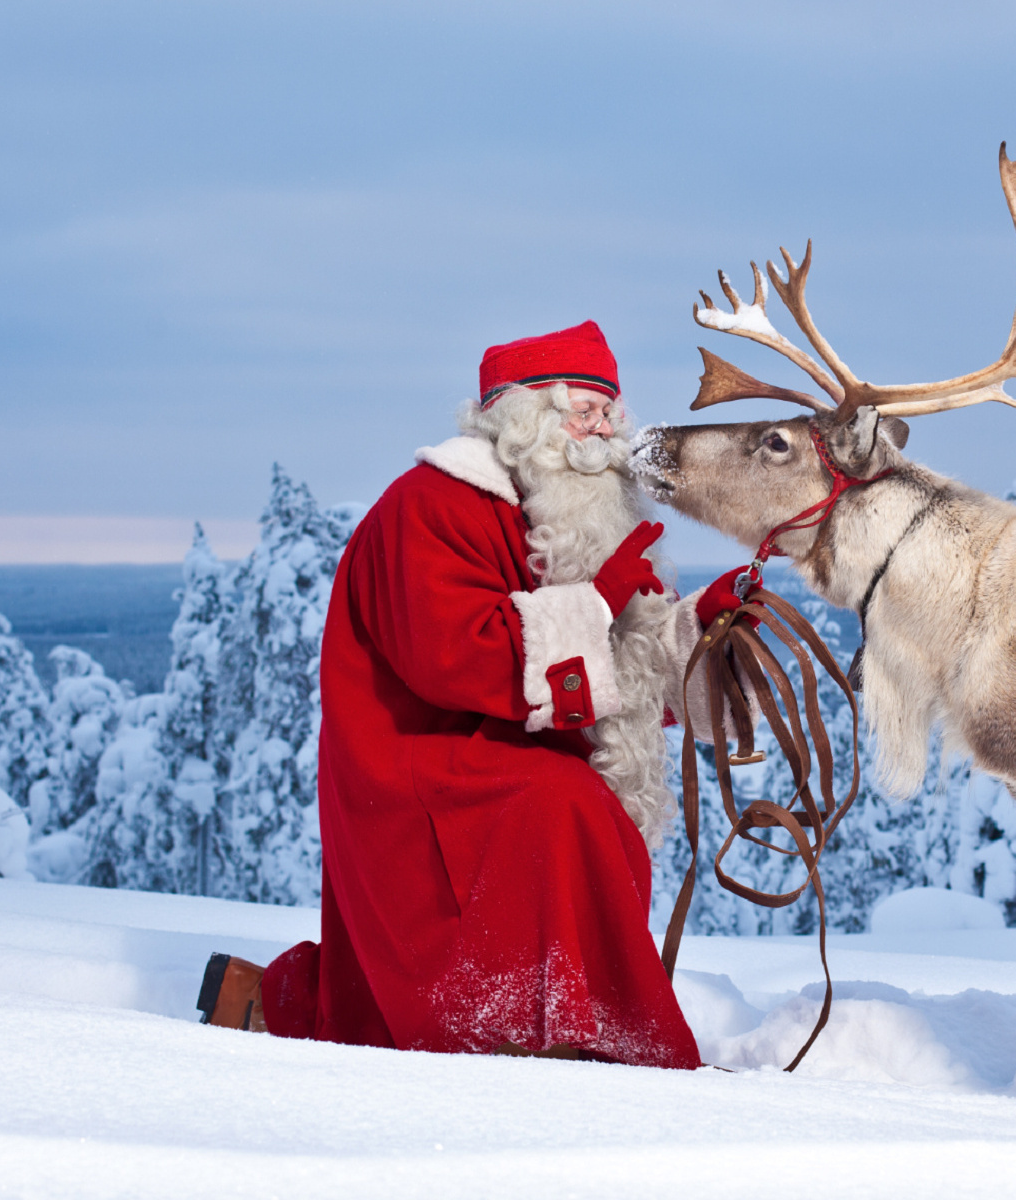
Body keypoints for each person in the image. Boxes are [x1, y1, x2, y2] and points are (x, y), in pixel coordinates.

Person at [195, 320, 747, 1067]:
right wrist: (598, 602)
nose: (604, 431)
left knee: (585, 807)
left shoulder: (561, 513)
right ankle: (539, 1033)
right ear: (525, 420)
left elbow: (614, 676)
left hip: (491, 745)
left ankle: (565, 1024)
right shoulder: (431, 505)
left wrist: (701, 640)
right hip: (414, 761)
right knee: (561, 807)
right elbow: (454, 656)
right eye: (582, 409)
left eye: (610, 411)